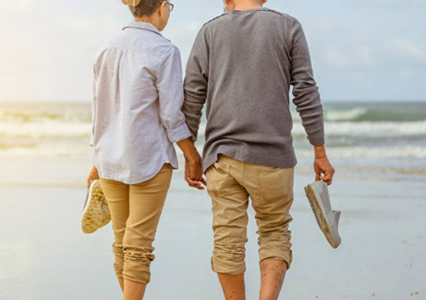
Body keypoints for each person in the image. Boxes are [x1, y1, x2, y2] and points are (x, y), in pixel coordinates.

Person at [181, 0, 336, 299]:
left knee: (227, 240)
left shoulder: (209, 31)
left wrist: (190, 154)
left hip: (222, 158)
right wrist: (319, 151)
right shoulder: (288, 26)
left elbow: (192, 95)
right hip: (273, 157)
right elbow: (305, 90)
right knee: (274, 232)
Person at [85, 0, 204, 299]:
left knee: (122, 241)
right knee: (137, 246)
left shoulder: (106, 47)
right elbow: (171, 115)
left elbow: (100, 111)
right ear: (162, 7)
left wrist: (96, 161)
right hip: (148, 158)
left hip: (109, 157)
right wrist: (191, 155)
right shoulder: (164, 50)